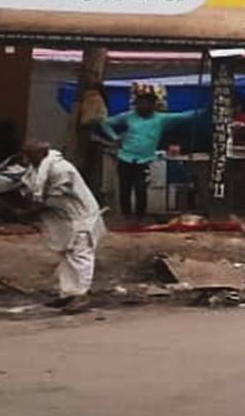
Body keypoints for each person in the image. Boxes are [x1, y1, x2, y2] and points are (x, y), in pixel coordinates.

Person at [23, 141, 106, 314]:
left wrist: (28, 213)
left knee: (81, 255)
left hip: (80, 218)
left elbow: (55, 198)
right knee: (66, 256)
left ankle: (81, 295)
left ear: (43, 153)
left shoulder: (62, 170)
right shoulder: (35, 170)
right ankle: (68, 293)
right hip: (63, 220)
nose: (28, 158)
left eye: (31, 154)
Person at [99, 88, 199, 221]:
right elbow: (105, 123)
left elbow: (184, 116)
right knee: (124, 189)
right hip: (125, 158)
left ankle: (140, 217)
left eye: (147, 103)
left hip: (144, 160)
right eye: (141, 103)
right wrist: (114, 138)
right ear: (136, 105)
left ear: (153, 105)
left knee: (141, 189)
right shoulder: (128, 116)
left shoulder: (160, 119)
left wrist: (202, 111)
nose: (144, 106)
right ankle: (126, 217)